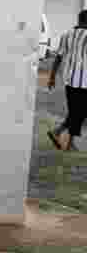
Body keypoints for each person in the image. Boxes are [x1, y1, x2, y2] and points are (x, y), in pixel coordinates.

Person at [48, 10, 87, 152]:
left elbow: (58, 57)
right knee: (79, 113)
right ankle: (62, 136)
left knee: (75, 112)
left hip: (69, 80)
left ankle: (64, 138)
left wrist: (52, 77)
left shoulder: (66, 35)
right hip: (84, 82)